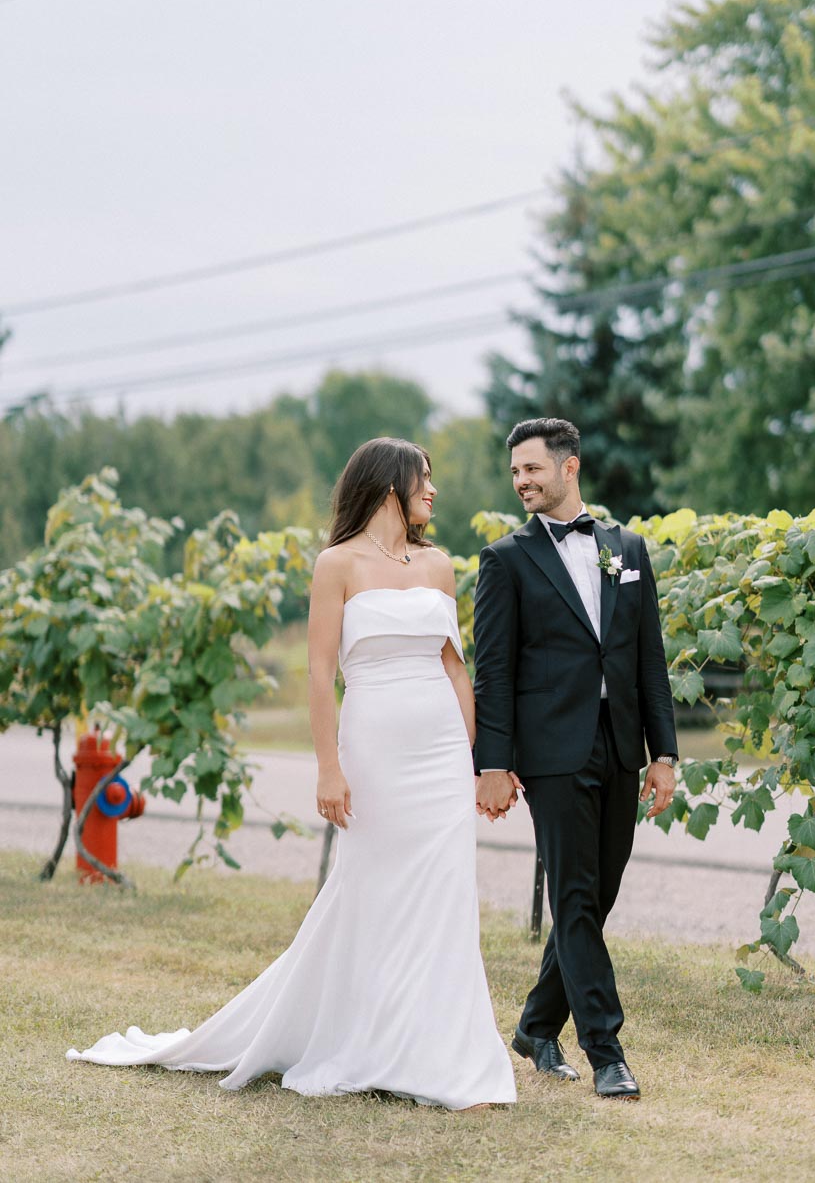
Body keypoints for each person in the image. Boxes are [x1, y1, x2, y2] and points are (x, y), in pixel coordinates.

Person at [68, 437, 516, 1111]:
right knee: (372, 892)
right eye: (425, 479)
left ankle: (444, 1056)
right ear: (391, 485)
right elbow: (316, 674)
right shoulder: (335, 564)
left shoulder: (439, 566)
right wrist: (328, 769)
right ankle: (363, 1039)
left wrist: (479, 762)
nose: (434, 491)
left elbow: (457, 667)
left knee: (445, 896)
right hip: (374, 750)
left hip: (440, 754)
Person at [473, 417, 677, 1101]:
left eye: (532, 468)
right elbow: (492, 670)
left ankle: (535, 1025)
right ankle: (606, 1049)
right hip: (551, 752)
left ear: (569, 468)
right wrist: (493, 762)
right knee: (575, 896)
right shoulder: (506, 560)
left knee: (598, 893)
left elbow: (649, 659)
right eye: (514, 473)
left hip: (620, 744)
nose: (522, 481)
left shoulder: (629, 549)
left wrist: (664, 752)